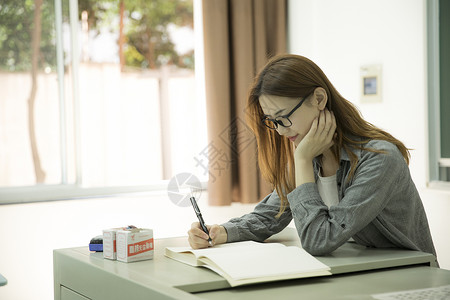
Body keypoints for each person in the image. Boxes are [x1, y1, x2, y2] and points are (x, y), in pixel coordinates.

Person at [187, 54, 437, 259]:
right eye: (273, 121)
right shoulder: (311, 154)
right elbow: (271, 215)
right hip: (355, 272)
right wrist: (221, 232)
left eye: (284, 117)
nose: (282, 130)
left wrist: (303, 161)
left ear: (319, 99)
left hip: (406, 278)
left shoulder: (380, 159)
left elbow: (319, 239)